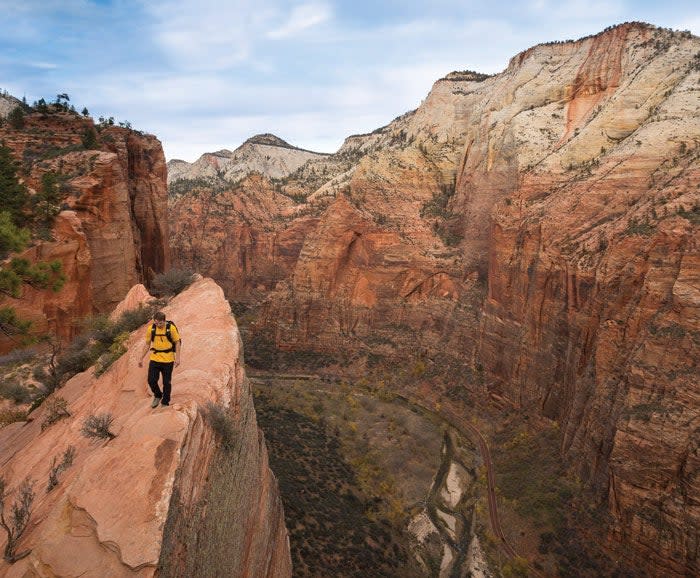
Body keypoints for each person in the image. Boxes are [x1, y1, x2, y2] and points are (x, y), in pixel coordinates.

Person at [138, 312, 181, 408]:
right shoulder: (151, 329)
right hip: (155, 358)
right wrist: (141, 358)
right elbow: (147, 344)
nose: (158, 325)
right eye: (156, 323)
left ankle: (165, 402)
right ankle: (158, 395)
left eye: (160, 323)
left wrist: (177, 358)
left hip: (168, 359)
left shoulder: (171, 328)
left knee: (167, 382)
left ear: (164, 321)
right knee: (151, 380)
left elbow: (177, 343)